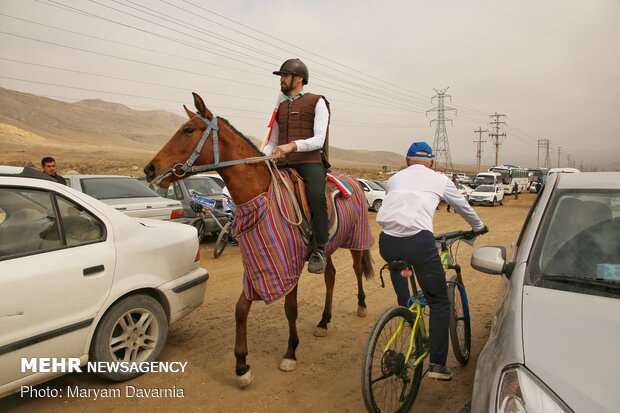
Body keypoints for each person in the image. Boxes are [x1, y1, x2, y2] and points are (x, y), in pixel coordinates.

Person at [376, 141, 487, 381]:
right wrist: (478, 226)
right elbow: (462, 206)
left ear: (407, 161)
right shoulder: (440, 180)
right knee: (439, 301)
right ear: (432, 163)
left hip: (387, 242)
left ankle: (405, 310)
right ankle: (437, 364)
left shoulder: (395, 179)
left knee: (401, 269)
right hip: (419, 242)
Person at [263, 58, 330, 274]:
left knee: (316, 196)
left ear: (298, 78)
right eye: (281, 76)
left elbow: (319, 139)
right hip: (282, 163)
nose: (281, 79)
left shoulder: (317, 102)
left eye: (284, 75)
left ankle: (320, 248)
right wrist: (262, 157)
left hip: (309, 162)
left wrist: (291, 146)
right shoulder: (280, 107)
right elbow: (272, 141)